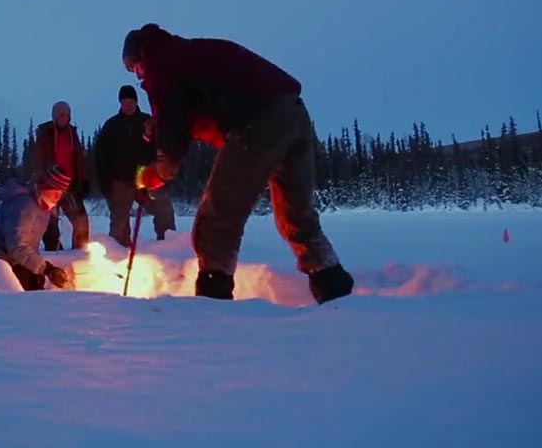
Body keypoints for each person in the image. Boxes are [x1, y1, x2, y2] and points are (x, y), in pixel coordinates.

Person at [121, 24, 354, 304]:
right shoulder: (186, 54)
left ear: (141, 57)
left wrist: (159, 169)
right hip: (293, 113)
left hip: (255, 122)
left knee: (217, 219)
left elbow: (172, 118)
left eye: (136, 70)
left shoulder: (161, 64)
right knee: (297, 217)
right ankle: (335, 288)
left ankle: (213, 301)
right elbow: (184, 112)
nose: (140, 78)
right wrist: (162, 130)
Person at [95, 84, 176, 247]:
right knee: (119, 224)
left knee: (163, 209)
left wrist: (161, 175)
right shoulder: (112, 125)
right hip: (120, 181)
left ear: (136, 102)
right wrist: (105, 183)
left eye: (131, 102)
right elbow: (100, 156)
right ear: (120, 103)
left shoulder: (148, 122)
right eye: (125, 102)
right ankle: (119, 254)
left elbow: (161, 147)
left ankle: (169, 245)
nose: (128, 105)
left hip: (146, 177)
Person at [0, 164, 75, 291]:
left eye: (60, 194)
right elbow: (16, 246)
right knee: (22, 294)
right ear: (44, 188)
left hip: (12, 258)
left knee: (35, 284)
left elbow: (31, 245)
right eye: (55, 193)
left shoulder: (43, 209)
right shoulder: (24, 205)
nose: (57, 198)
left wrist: (37, 270)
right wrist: (46, 269)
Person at [28, 101, 91, 251]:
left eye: (67, 115)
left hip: (71, 186)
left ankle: (79, 252)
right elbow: (37, 159)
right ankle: (55, 253)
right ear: (55, 116)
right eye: (61, 114)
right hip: (49, 187)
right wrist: (40, 180)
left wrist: (84, 180)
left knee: (81, 221)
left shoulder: (72, 134)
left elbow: (79, 159)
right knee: (50, 225)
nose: (64, 117)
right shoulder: (45, 134)